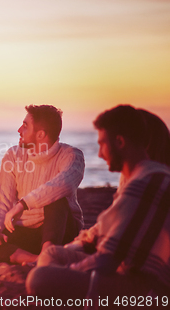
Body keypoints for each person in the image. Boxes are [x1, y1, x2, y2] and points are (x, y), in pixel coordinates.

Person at [27, 105, 170, 300]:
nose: (100, 154)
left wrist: (72, 269)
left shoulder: (146, 183)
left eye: (102, 144)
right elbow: (101, 233)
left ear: (120, 142)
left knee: (39, 278)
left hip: (141, 286)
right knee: (52, 255)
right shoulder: (140, 179)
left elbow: (108, 260)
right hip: (120, 267)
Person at [0, 105, 85, 264]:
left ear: (41, 134)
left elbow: (62, 184)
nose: (19, 130)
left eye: (25, 126)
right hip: (23, 231)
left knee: (57, 199)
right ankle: (35, 258)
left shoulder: (70, 155)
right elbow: (2, 198)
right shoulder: (13, 155)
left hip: (60, 231)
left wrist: (22, 205)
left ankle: (46, 255)